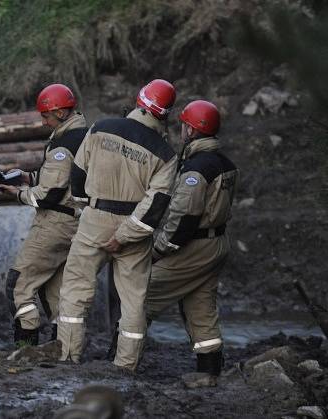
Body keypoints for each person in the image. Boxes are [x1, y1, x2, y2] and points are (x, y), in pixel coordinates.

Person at [57, 79, 178, 369]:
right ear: (164, 114)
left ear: (140, 102)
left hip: (95, 218)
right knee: (133, 301)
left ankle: (69, 357)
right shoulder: (166, 154)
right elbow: (155, 206)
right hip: (135, 228)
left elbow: (77, 174)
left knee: (75, 290)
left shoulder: (100, 127)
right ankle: (125, 366)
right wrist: (124, 236)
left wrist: (86, 209)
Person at [147, 100, 239, 379]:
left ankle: (121, 363)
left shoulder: (196, 169)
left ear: (191, 129)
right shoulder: (225, 163)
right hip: (216, 243)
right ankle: (209, 372)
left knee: (139, 296)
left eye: (184, 125)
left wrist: (157, 250)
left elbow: (183, 218)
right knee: (200, 306)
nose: (181, 130)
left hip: (194, 247)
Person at [0, 83, 88, 346]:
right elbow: (66, 179)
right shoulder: (85, 136)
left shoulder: (62, 145)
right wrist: (28, 177)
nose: (43, 120)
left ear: (61, 113)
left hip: (55, 223)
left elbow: (48, 194)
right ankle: (63, 349)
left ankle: (26, 345)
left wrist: (17, 194)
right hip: (76, 221)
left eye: (46, 115)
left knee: (19, 285)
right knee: (55, 290)